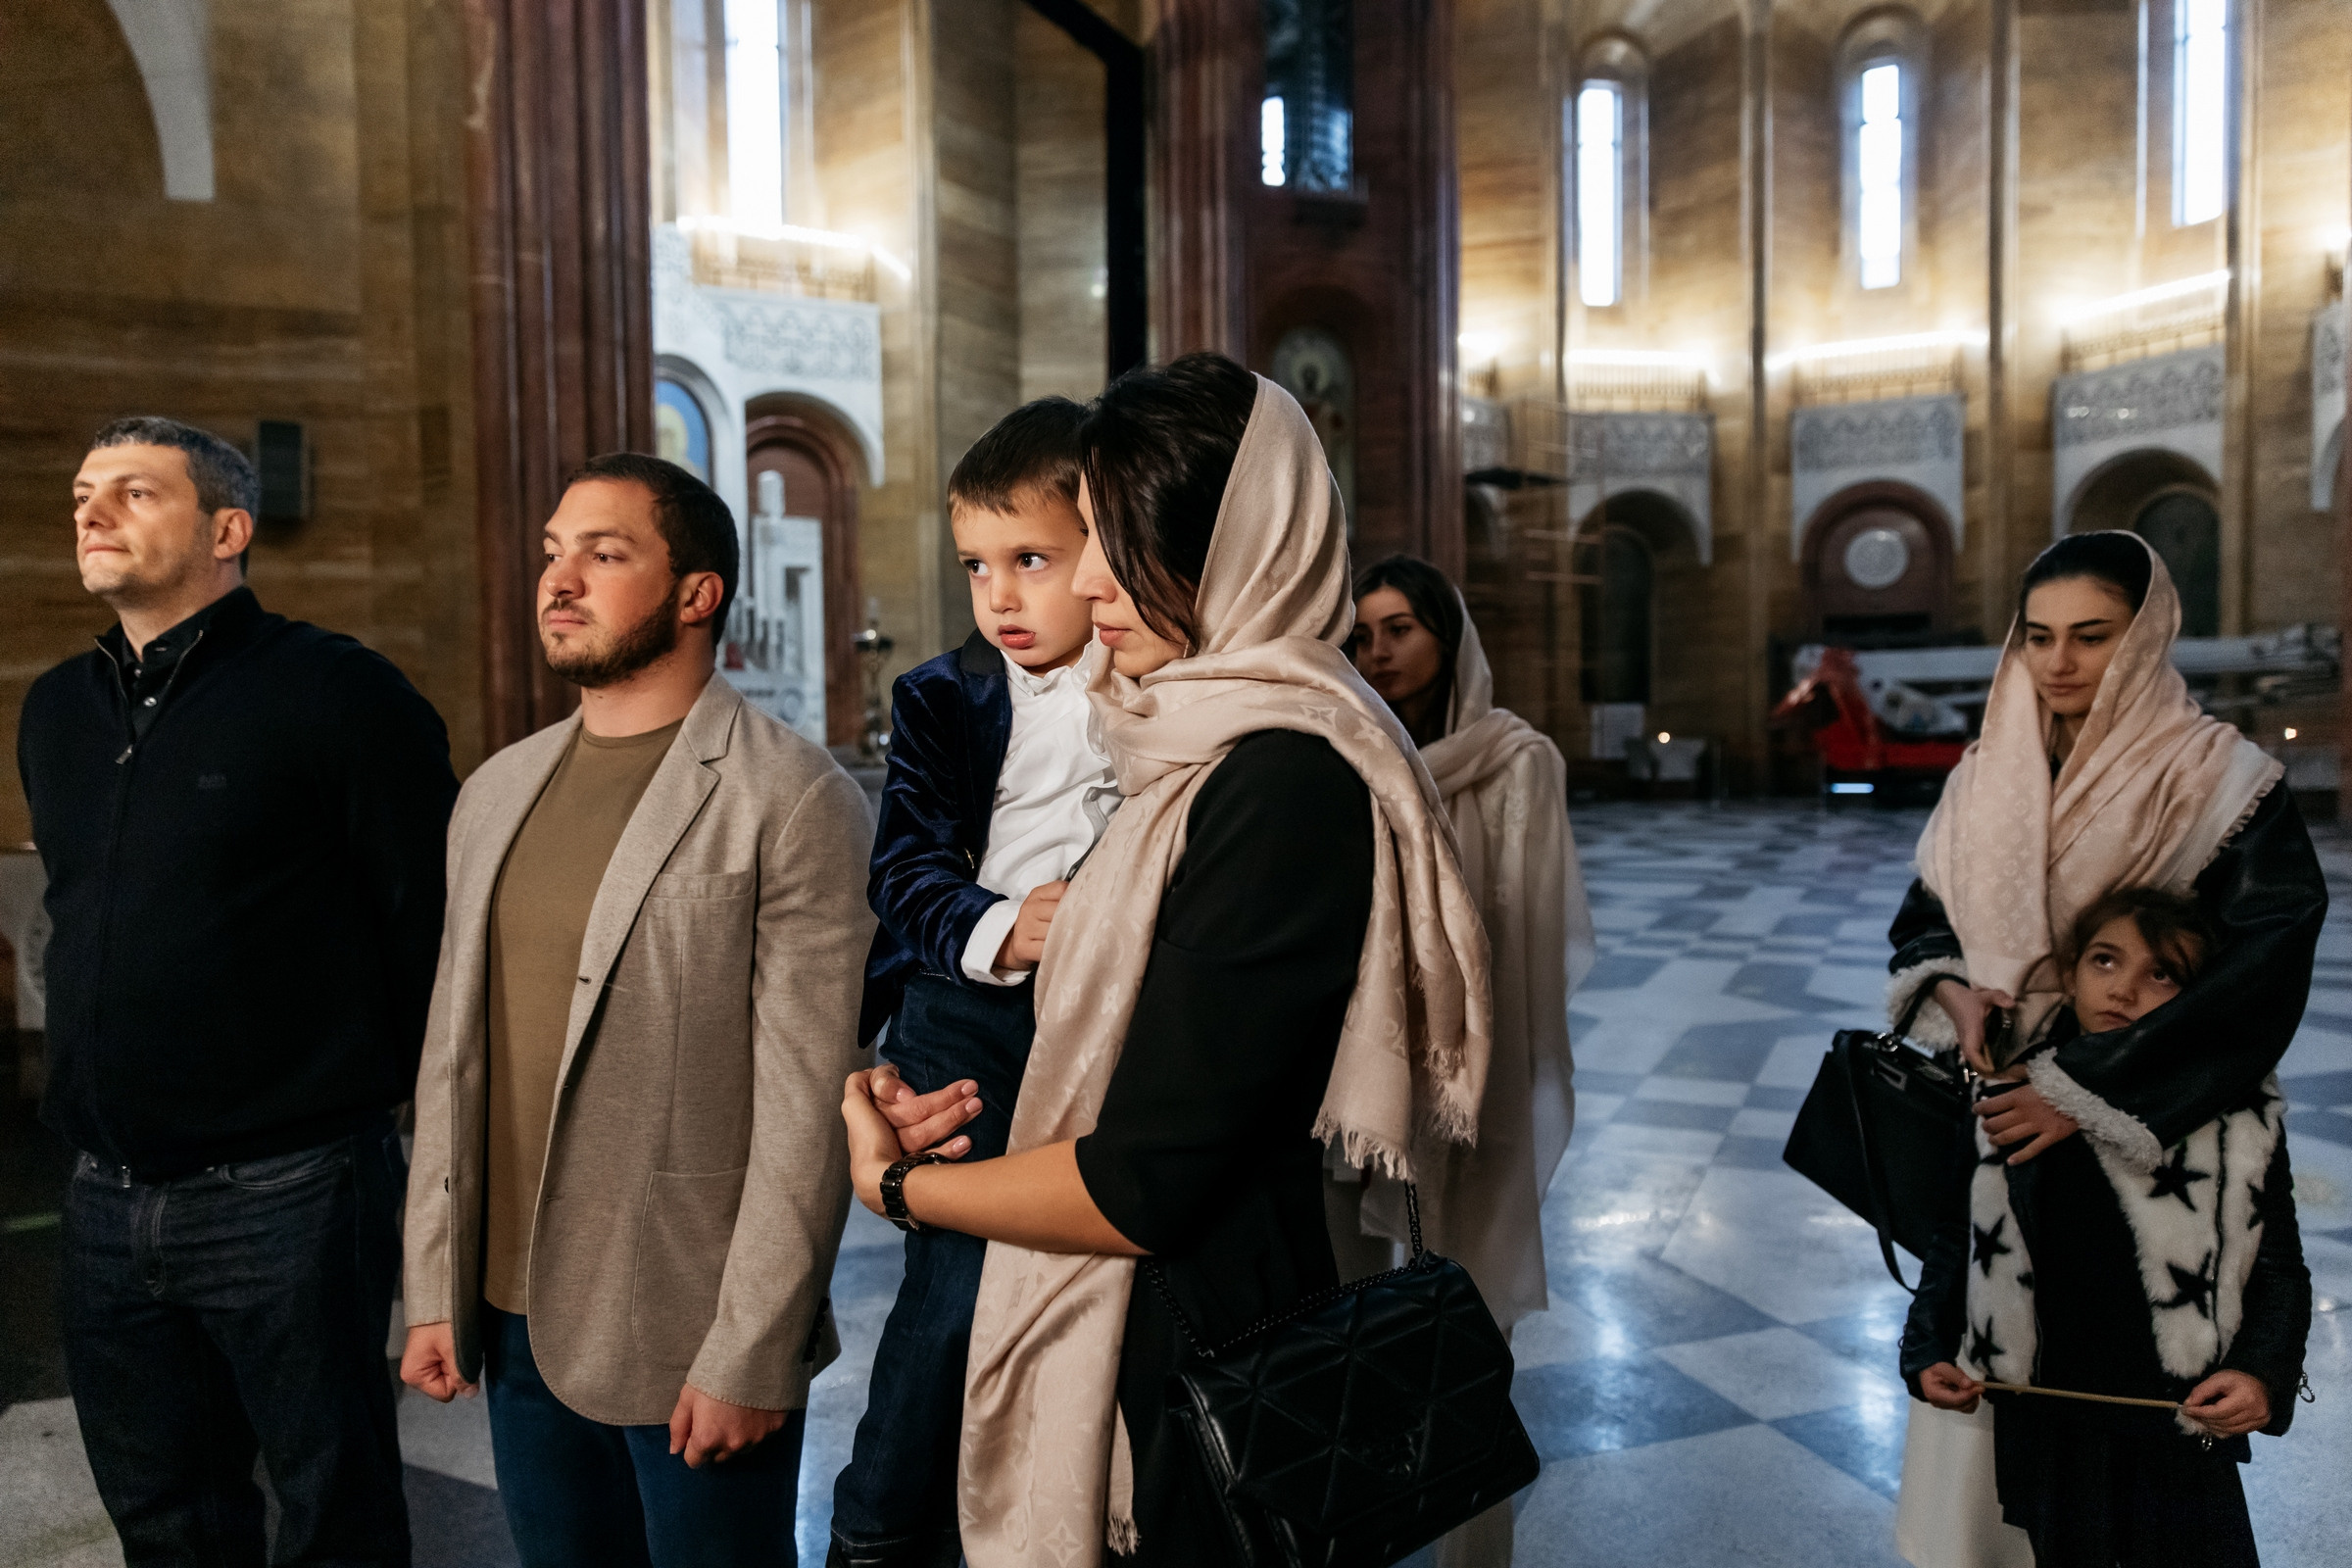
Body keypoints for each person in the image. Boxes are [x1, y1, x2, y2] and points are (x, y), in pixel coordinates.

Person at [836, 354, 1494, 1567]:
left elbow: (1146, 1182)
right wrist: (920, 1082)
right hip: (1140, 1311)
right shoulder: (1178, 742)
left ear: (1233, 548)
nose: (1087, 580)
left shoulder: (1283, 775)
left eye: (1112, 542)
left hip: (1197, 1354)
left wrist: (893, 1184)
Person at [399, 454, 873, 1568]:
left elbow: (807, 1107)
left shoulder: (791, 797)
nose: (560, 579)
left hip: (684, 1321)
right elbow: (452, 1056)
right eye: (555, 553)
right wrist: (434, 1283)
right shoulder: (495, 792)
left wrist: (753, 1350)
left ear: (697, 591)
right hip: (511, 1311)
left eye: (605, 555)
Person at [21, 416, 457, 1564]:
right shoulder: (57, 709)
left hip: (286, 1190)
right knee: (165, 1516)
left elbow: (429, 916)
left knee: (335, 1516)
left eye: (132, 491)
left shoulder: (336, 692)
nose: (91, 510)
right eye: (82, 491)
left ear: (227, 528)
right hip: (106, 1196)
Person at [1882, 530, 2326, 1568]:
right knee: (2020, 1451)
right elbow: (1923, 917)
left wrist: (2078, 1086)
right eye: (2037, 636)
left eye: (2092, 635)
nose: (2060, 661)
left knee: (2163, 1459)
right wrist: (1951, 988)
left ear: (2145, 636)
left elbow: (2264, 960)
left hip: (2168, 1118)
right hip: (2001, 1116)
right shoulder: (1987, 769)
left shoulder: (2220, 775)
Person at [830, 396, 1117, 1568]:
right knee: (957, 1282)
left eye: (1032, 560)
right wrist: (1007, 925)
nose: (999, 596)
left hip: (1107, 1019)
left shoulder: (1161, 682)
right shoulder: (942, 695)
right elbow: (901, 871)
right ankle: (880, 1527)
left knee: (1087, 1269)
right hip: (970, 1008)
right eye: (977, 566)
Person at [1905, 886, 2312, 1565]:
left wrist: (2262, 1374)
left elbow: (2279, 1266)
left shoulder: (2232, 1112)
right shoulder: (2013, 1094)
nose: (2124, 988)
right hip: (2048, 1422)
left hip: (2186, 1423)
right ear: (2068, 973)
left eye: (2161, 973)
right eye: (2103, 960)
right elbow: (1958, 1238)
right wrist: (1924, 1349)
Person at [1343, 555, 1593, 1566]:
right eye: (1361, 634)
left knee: (1467, 1315)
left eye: (1401, 627)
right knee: (1347, 1315)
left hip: (1468, 1075)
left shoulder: (1514, 757)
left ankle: (1473, 1549)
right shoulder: (1346, 753)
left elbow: (1525, 930)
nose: (1380, 651)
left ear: (1447, 636)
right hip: (1355, 1075)